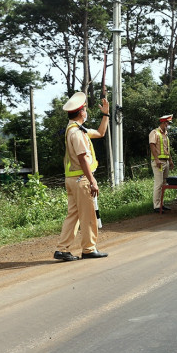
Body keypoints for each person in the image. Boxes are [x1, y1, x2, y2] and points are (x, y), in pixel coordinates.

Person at [54, 92, 110, 261]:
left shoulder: (75, 129)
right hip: (81, 180)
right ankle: (88, 248)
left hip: (72, 179)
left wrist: (105, 114)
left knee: (73, 215)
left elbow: (100, 133)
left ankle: (62, 249)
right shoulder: (77, 133)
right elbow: (82, 158)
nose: (86, 112)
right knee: (89, 215)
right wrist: (92, 181)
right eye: (85, 109)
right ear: (81, 112)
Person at [149, 114, 175, 213]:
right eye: (168, 123)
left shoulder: (165, 135)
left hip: (166, 161)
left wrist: (170, 160)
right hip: (158, 162)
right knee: (158, 183)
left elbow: (167, 150)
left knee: (164, 184)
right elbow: (152, 146)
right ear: (164, 123)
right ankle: (156, 206)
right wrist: (157, 160)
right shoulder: (154, 133)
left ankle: (161, 204)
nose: (168, 125)